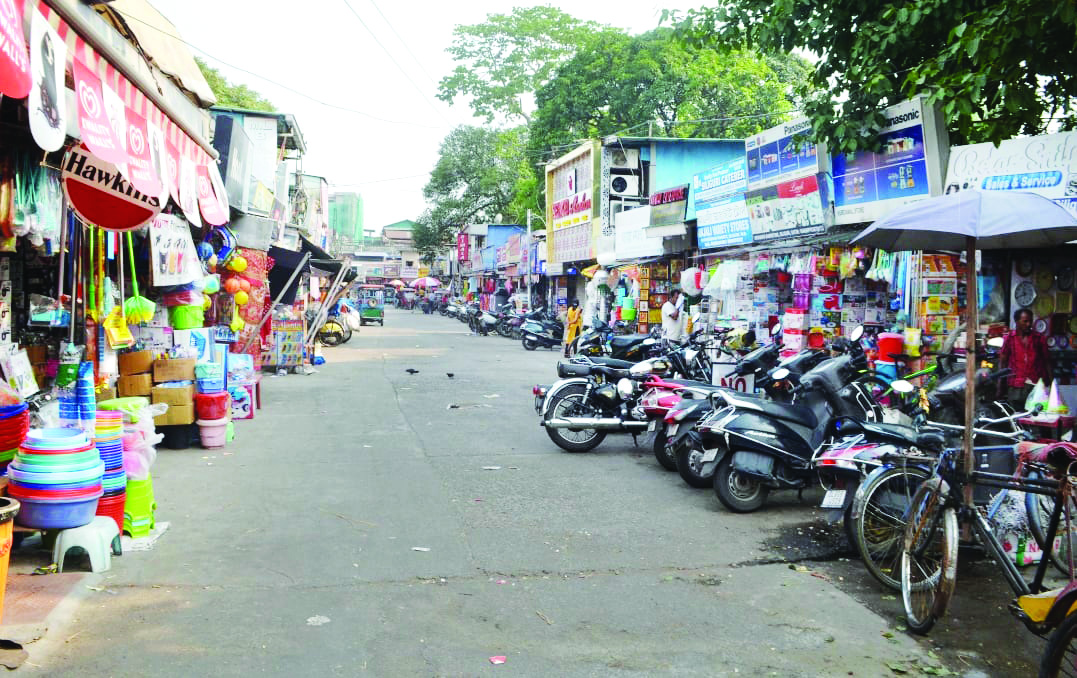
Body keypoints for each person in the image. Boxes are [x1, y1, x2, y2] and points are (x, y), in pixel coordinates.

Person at [999, 308, 1051, 409]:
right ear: (1017, 322)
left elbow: (1047, 362)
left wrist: (1051, 384)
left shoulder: (1039, 339)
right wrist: (1000, 387)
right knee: (1016, 418)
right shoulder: (1009, 338)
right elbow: (1003, 363)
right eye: (1025, 321)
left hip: (1036, 385)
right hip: (1015, 385)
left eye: (1030, 321)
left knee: (1035, 418)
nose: (1029, 324)